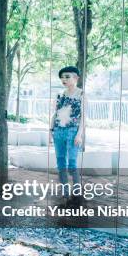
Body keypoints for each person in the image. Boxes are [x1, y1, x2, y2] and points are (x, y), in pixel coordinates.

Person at [49, 66, 85, 206]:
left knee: (72, 164)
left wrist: (79, 135)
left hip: (73, 132)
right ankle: (65, 195)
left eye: (67, 76)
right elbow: (55, 113)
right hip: (58, 131)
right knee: (60, 163)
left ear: (76, 78)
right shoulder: (60, 95)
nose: (64, 79)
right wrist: (51, 130)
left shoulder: (81, 94)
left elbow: (84, 117)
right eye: (62, 77)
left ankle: (76, 196)